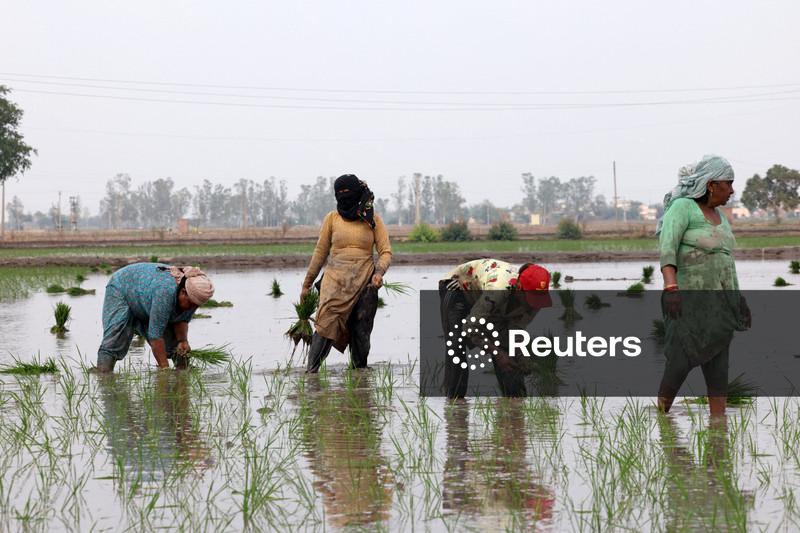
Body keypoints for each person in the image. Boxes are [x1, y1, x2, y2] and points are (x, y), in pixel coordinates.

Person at [656, 155, 750, 417]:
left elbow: (726, 262)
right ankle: (661, 416)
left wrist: (739, 300)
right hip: (686, 300)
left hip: (720, 304)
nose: (731, 190)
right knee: (679, 362)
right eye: (728, 183)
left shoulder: (720, 216)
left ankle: (718, 426)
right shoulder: (682, 208)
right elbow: (667, 250)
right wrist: (671, 288)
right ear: (711, 184)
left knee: (719, 366)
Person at [302, 174, 392, 373]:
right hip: (334, 282)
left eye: (347, 193)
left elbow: (385, 252)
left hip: (365, 282)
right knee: (325, 324)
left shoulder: (373, 220)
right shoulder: (332, 219)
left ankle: (359, 375)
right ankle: (311, 373)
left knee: (361, 330)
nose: (344, 197)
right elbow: (320, 252)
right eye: (339, 193)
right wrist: (307, 283)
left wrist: (378, 273)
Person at [439, 259, 552, 398]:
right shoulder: (498, 290)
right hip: (459, 289)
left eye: (538, 298)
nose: (534, 304)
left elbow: (514, 333)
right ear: (518, 287)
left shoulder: (535, 302)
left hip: (487, 300)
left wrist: (525, 362)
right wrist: (498, 355)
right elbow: (470, 327)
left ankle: (515, 407)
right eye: (531, 298)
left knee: (508, 355)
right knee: (456, 346)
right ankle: (455, 406)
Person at [96, 263, 215, 372]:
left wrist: (183, 340)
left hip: (145, 295)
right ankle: (103, 373)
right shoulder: (164, 293)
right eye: (191, 304)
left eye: (196, 306)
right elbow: (156, 336)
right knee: (116, 337)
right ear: (183, 292)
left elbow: (181, 319)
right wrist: (165, 371)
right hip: (122, 286)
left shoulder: (193, 298)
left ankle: (182, 372)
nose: (192, 308)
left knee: (175, 347)